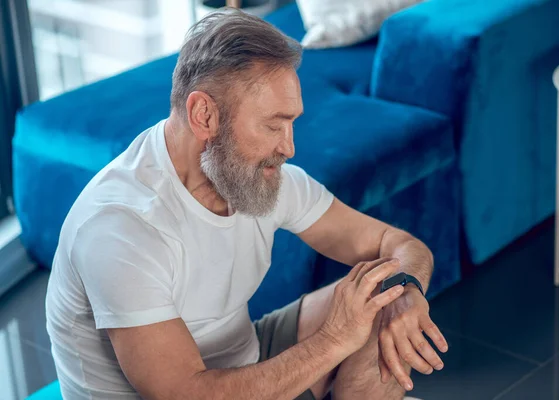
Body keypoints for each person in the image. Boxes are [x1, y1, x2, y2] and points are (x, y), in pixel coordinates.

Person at [45, 8, 448, 400]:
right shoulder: (122, 227)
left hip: (244, 355)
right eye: (273, 125)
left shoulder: (259, 176)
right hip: (191, 391)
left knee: (383, 298)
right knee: (356, 321)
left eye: (292, 123)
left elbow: (400, 245)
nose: (288, 147)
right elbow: (185, 393)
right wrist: (334, 340)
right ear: (204, 115)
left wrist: (407, 289)